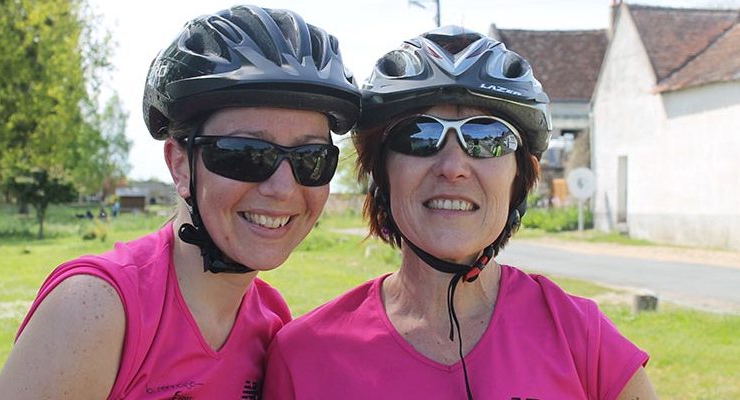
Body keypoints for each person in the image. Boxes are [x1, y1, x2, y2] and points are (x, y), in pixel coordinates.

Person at [264, 26, 656, 399]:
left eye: (487, 137)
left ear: (518, 177)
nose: (453, 167)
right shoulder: (305, 355)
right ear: (381, 175)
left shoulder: (582, 338)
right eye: (419, 135)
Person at [0, 5, 359, 399]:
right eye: (244, 153)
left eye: (312, 159)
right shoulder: (94, 310)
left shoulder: (271, 323)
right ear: (180, 164)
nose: (283, 188)